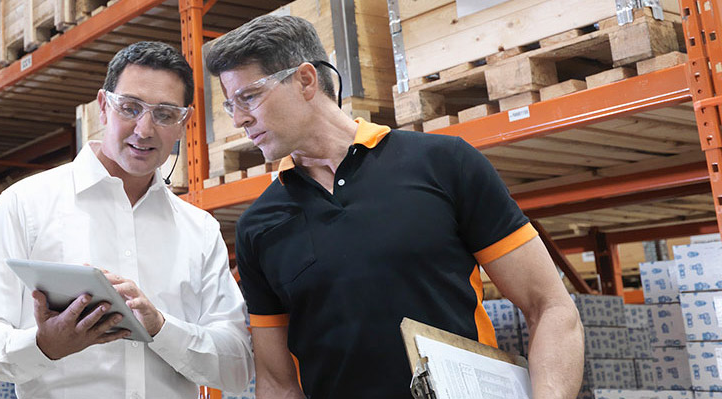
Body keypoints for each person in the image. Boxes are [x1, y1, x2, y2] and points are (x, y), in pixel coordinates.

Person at [203, 15, 585, 398]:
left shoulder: (445, 164)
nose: (239, 119)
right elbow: (276, 383)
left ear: (305, 80)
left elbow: (549, 306)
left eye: (249, 96)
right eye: (230, 104)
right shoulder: (259, 226)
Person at [0, 41, 253, 398]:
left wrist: (161, 328)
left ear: (182, 124)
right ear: (103, 107)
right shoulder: (25, 205)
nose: (144, 130)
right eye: (130, 108)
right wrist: (43, 345)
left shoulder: (199, 229)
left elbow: (237, 365)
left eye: (164, 114)